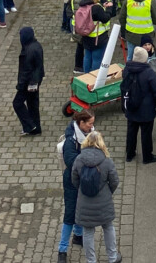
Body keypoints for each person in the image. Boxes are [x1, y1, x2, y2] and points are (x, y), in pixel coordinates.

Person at [69, 131, 122, 263]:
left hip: (85, 202)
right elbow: (114, 181)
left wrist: (82, 190)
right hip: (104, 202)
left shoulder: (79, 159)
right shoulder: (106, 161)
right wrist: (107, 192)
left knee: (87, 232)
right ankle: (112, 257)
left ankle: (91, 260)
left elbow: (74, 180)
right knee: (108, 227)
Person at [59, 109, 95, 261]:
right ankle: (62, 250)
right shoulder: (70, 141)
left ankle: (78, 236)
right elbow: (71, 161)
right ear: (81, 123)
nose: (92, 127)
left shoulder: (90, 134)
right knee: (70, 214)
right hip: (72, 182)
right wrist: (89, 160)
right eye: (89, 124)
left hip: (84, 179)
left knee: (81, 210)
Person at [121, 46, 156, 164]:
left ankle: (130, 154)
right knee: (146, 134)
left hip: (131, 107)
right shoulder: (149, 73)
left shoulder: (127, 70)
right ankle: (147, 156)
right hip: (146, 109)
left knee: (131, 132)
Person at [13, 26, 44, 136]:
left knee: (17, 103)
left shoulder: (28, 51)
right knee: (32, 104)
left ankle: (29, 126)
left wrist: (20, 85)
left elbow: (25, 71)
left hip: (28, 83)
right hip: (35, 80)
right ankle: (36, 127)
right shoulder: (36, 46)